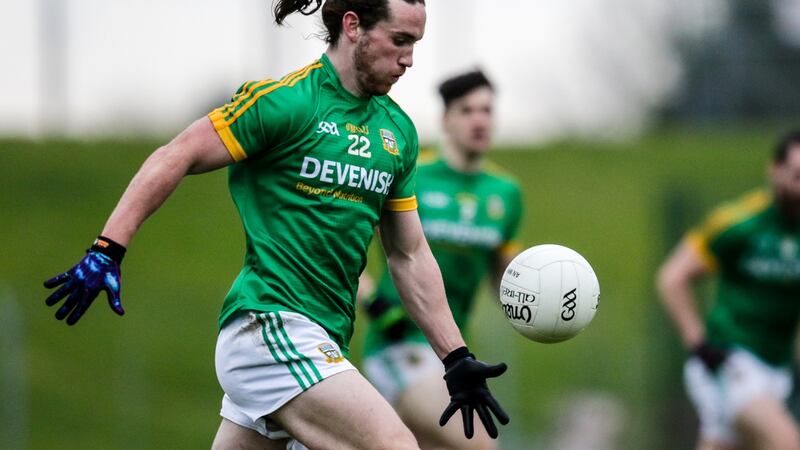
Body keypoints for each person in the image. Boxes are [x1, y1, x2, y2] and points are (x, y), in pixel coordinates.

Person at [41, 1, 510, 449]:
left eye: (416, 44)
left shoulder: (397, 133)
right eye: (400, 40)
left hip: (320, 341)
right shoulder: (287, 103)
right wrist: (108, 248)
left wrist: (455, 357)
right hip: (271, 326)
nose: (409, 59)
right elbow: (175, 155)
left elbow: (408, 255)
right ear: (353, 26)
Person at [359, 70, 523, 450]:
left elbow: (504, 278)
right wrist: (373, 301)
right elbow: (346, 248)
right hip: (400, 347)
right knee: (481, 445)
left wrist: (535, 297)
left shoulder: (506, 193)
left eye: (487, 110)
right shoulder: (413, 175)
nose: (479, 119)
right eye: (467, 110)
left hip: (452, 358)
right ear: (445, 119)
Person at [657, 130, 800, 450]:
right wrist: (696, 341)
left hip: (776, 365)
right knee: (787, 441)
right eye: (796, 176)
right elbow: (673, 277)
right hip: (732, 359)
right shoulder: (739, 224)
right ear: (773, 170)